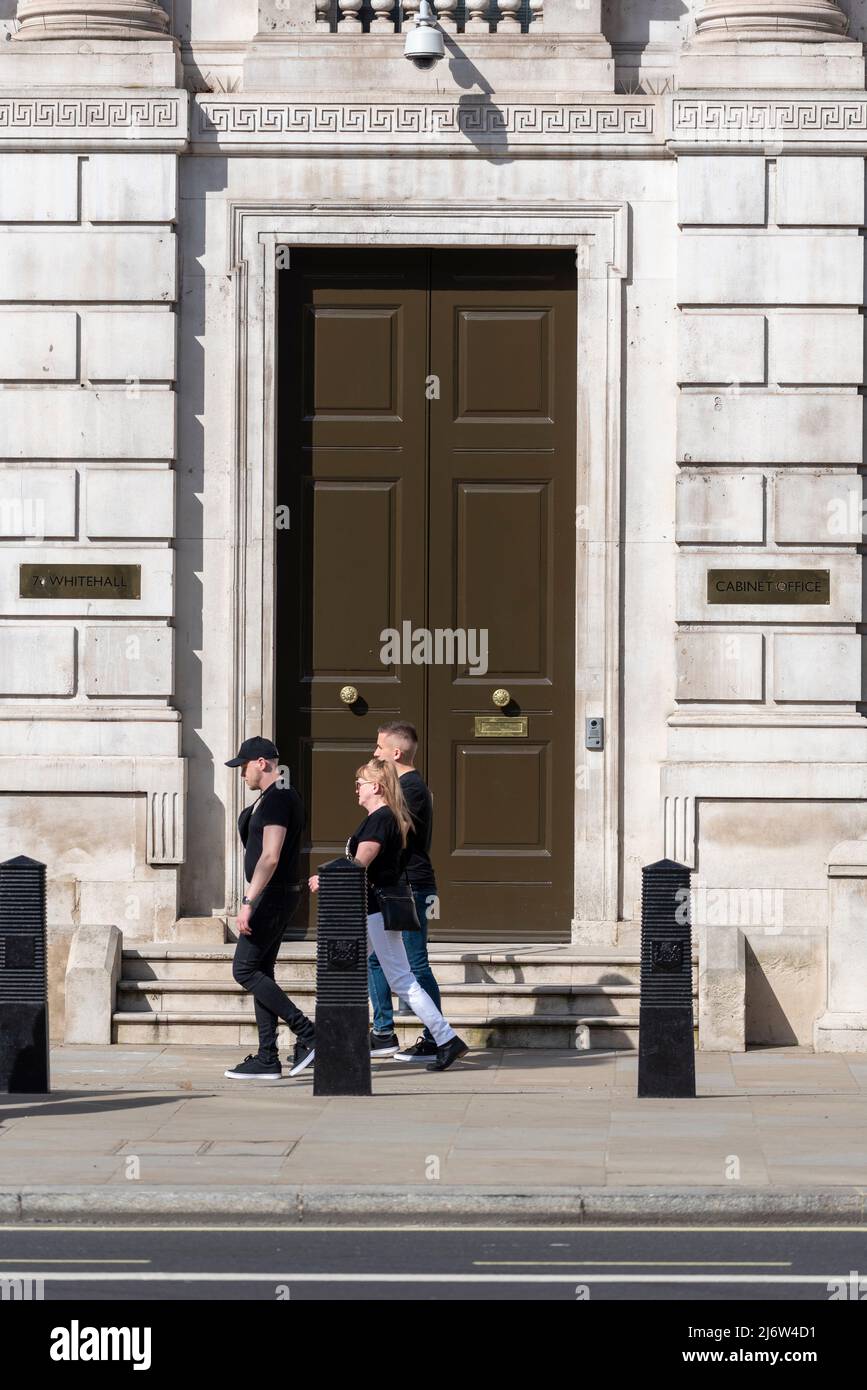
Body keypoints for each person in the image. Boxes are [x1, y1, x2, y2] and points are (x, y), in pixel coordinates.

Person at [308, 757, 468, 1073]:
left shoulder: (380, 820)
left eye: (360, 784)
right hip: (374, 911)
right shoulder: (386, 818)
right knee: (347, 974)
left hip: (376, 912)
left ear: (376, 787)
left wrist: (324, 878)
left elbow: (360, 863)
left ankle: (446, 1038)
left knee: (402, 979)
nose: (356, 790)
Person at [223, 736, 316, 1080]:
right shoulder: (273, 796)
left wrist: (248, 901)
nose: (241, 774)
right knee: (261, 969)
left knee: (244, 970)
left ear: (261, 763)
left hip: (272, 896)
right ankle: (267, 1056)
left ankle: (308, 1033)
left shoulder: (278, 797)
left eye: (243, 766)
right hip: (275, 895)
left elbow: (271, 855)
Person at [369, 722, 443, 1062]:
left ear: (396, 753)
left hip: (413, 886)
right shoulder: (404, 786)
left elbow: (395, 830)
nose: (375, 753)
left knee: (415, 962)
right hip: (401, 885)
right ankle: (383, 1032)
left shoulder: (410, 787)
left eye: (379, 748)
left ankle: (434, 1037)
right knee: (377, 959)